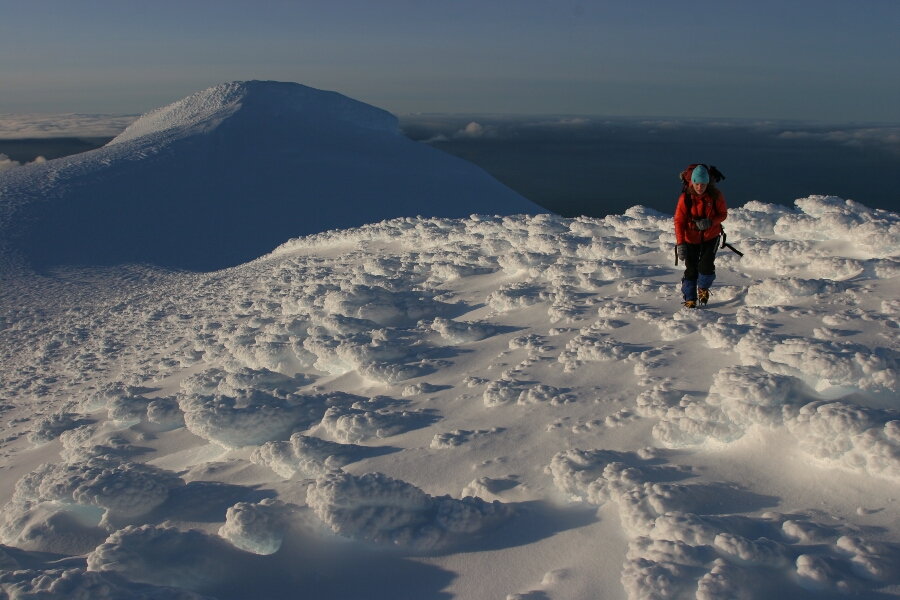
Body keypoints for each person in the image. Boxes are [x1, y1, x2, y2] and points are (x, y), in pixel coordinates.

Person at [674, 165, 727, 308]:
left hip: (711, 236)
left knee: (706, 267)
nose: (699, 187)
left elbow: (723, 214)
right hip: (690, 239)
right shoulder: (685, 198)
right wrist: (680, 243)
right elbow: (679, 221)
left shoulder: (715, 195)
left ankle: (703, 288)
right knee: (691, 269)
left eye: (703, 184)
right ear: (692, 182)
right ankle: (690, 298)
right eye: (697, 183)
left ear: (707, 183)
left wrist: (710, 222)